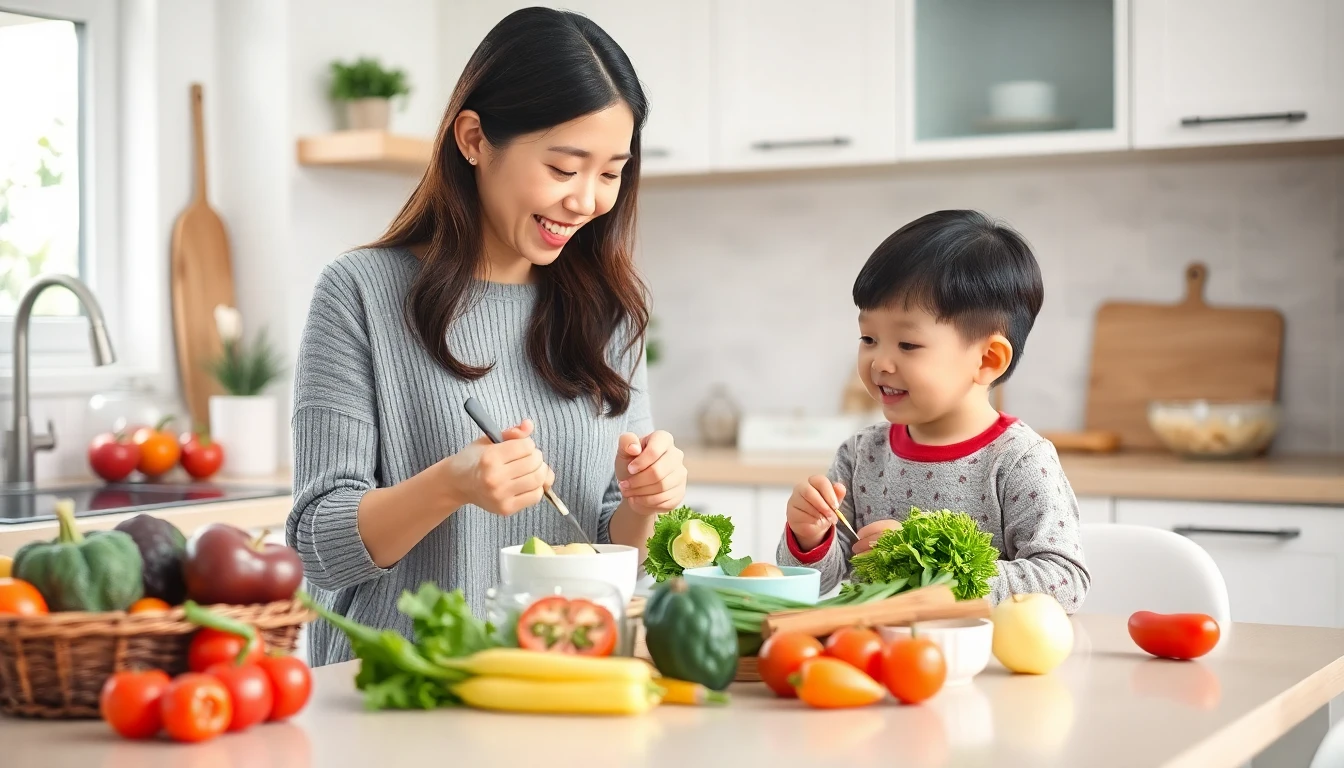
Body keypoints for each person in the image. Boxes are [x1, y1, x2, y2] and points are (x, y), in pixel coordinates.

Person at [286, 7, 688, 667]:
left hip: (558, 680)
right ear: (474, 139)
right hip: (399, 688)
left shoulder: (611, 314)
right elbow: (317, 545)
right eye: (564, 168)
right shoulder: (360, 292)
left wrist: (646, 504)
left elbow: (615, 549)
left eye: (611, 172)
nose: (587, 200)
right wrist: (450, 484)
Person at [776, 210, 1090, 611]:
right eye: (868, 338)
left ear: (988, 359)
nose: (879, 363)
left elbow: (1064, 582)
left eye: (907, 345)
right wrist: (810, 538)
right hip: (874, 648)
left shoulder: (1019, 460)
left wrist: (925, 562)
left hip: (981, 651)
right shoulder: (860, 455)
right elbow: (817, 584)